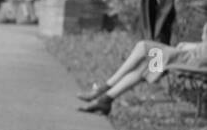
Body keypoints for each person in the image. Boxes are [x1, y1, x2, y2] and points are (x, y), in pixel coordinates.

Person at [76, 21, 207, 115]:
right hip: (187, 57)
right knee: (144, 67)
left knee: (143, 47)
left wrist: (190, 46)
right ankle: (105, 99)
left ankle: (103, 89)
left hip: (191, 61)